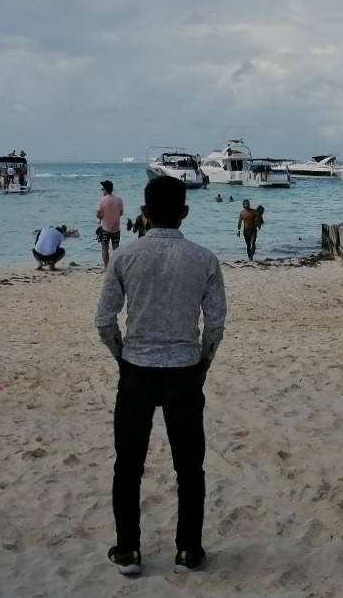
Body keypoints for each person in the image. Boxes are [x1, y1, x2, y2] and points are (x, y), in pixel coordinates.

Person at [95, 176, 225, 576]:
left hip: (136, 369)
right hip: (184, 370)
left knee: (128, 465)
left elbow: (104, 321)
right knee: (189, 467)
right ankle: (188, 550)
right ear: (185, 212)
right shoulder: (204, 259)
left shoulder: (125, 257)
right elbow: (216, 324)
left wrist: (121, 355)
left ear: (144, 213)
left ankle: (129, 551)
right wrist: (203, 361)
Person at [96, 180, 125, 265]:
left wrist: (102, 217)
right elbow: (121, 213)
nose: (102, 191)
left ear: (105, 189)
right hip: (116, 229)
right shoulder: (119, 200)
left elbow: (97, 214)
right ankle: (116, 267)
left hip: (105, 229)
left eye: (102, 189)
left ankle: (106, 268)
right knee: (116, 248)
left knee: (105, 248)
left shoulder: (102, 201)